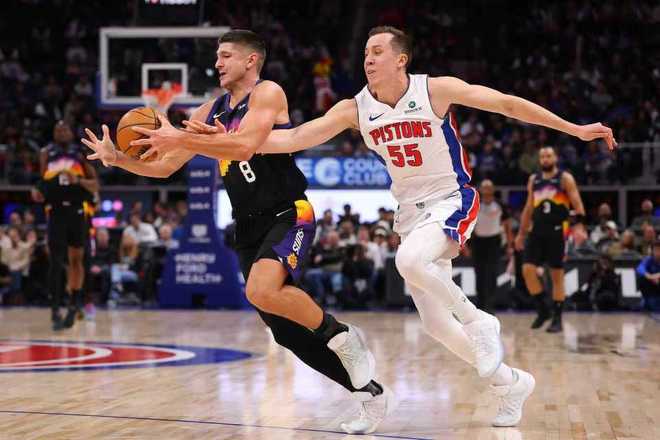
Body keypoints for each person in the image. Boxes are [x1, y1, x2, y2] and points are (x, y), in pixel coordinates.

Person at [160, 26, 615, 429]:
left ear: (401, 59)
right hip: (410, 213)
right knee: (435, 325)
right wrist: (218, 140)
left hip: (451, 198)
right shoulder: (355, 108)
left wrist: (573, 129)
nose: (368, 59)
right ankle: (510, 383)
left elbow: (506, 103)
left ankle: (480, 322)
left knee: (410, 261)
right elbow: (293, 138)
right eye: (365, 53)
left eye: (377, 52)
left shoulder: (434, 90)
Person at [82, 29, 390, 434]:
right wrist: (119, 159)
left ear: (250, 60)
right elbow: (165, 166)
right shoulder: (208, 110)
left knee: (260, 290)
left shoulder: (267, 94)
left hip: (288, 212)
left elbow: (245, 146)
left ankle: (343, 335)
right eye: (217, 56)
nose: (218, 63)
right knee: (285, 334)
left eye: (226, 55)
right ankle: (368, 392)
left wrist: (181, 136)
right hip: (247, 225)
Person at [33, 121, 99, 330]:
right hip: (55, 211)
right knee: (55, 261)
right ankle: (55, 308)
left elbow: (95, 185)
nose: (61, 132)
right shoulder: (46, 153)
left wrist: (77, 180)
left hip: (77, 211)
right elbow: (42, 182)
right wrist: (37, 192)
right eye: (57, 129)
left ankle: (74, 304)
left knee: (76, 260)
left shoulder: (80, 153)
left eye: (64, 129)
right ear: (53, 133)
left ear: (71, 132)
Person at [514, 146, 587, 333]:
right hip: (536, 231)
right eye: (542, 156)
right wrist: (521, 233)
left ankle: (557, 318)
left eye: (548, 156)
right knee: (527, 270)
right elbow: (528, 208)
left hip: (558, 231)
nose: (545, 159)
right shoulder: (534, 179)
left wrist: (579, 227)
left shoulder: (565, 178)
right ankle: (543, 309)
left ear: (555, 158)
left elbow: (577, 204)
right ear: (539, 160)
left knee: (556, 276)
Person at [471, 179, 512, 313]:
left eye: (489, 187)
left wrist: (510, 245)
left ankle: (490, 305)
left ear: (493, 189)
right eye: (485, 187)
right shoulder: (475, 204)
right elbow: (468, 223)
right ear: (481, 190)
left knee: (492, 273)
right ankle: (480, 304)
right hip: (478, 242)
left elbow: (507, 225)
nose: (487, 190)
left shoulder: (500, 205)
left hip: (494, 242)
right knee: (479, 273)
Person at [636, 240, 660, 311]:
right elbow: (640, 268)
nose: (658, 252)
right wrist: (650, 277)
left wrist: (657, 276)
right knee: (642, 279)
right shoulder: (648, 259)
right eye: (656, 250)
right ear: (652, 251)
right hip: (651, 290)